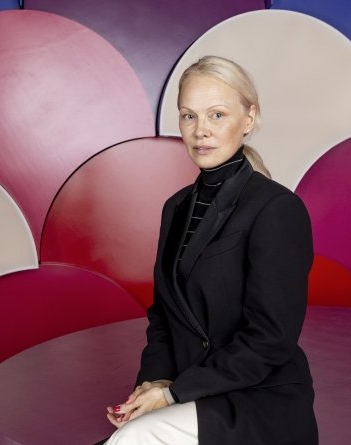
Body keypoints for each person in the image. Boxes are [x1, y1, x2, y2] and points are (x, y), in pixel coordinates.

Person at [104, 55, 318, 444]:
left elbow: (269, 339)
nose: (200, 130)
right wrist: (155, 383)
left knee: (133, 439)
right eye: (189, 116)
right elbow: (164, 317)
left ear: (249, 119)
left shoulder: (277, 208)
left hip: (258, 401)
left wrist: (173, 395)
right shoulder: (175, 207)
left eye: (217, 115)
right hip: (194, 391)